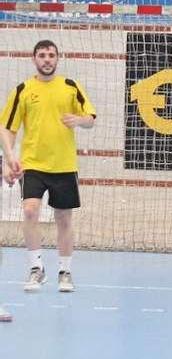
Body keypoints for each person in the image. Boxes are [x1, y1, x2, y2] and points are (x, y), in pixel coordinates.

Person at [0, 40, 96, 293]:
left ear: (57, 59)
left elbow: (91, 119)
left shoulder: (70, 87)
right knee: (30, 211)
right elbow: (7, 128)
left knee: (63, 218)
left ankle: (65, 271)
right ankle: (36, 269)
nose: (47, 59)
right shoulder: (23, 90)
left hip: (64, 165)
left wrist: (79, 120)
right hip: (32, 164)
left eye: (51, 55)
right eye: (42, 55)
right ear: (34, 59)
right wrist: (9, 158)